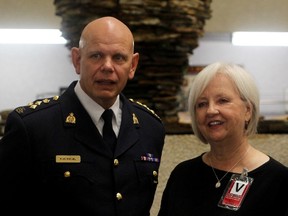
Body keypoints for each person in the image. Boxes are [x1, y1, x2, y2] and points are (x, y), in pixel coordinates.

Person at [0, 16, 165, 215]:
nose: (107, 66)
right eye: (96, 55)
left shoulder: (150, 128)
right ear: (77, 60)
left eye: (119, 57)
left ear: (132, 65)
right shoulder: (32, 127)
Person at [158, 62, 288, 216]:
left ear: (247, 110)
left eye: (223, 100)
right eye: (202, 104)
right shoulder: (182, 175)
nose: (211, 110)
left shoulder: (278, 180)